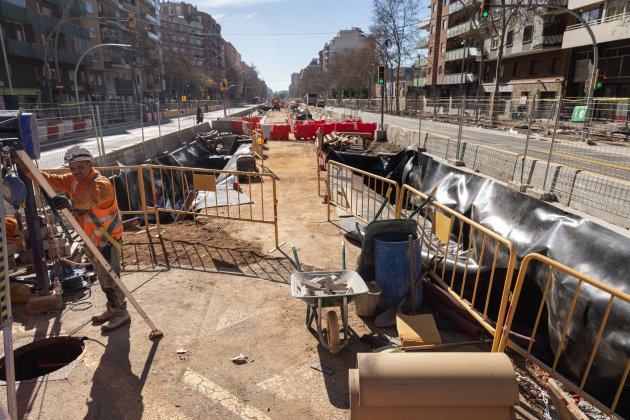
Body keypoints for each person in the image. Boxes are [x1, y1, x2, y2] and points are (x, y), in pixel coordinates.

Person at [42, 146, 129, 332]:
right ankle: (113, 309)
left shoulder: (101, 184)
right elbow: (52, 179)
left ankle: (121, 313)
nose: (76, 172)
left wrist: (72, 203)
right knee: (103, 279)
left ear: (90, 164)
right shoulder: (73, 180)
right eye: (72, 168)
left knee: (111, 280)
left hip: (106, 242)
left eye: (80, 167)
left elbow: (91, 198)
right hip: (91, 241)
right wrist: (29, 171)